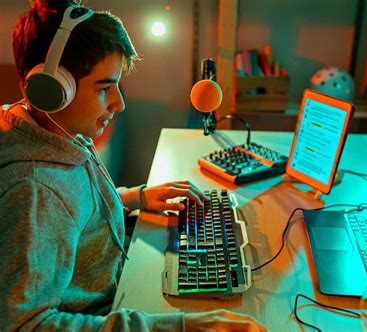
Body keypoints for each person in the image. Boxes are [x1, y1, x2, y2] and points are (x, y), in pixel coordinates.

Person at [0, 0, 265, 330]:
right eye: (104, 87)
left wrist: (133, 198)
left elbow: (77, 210)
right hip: (109, 314)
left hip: (122, 280)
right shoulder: (35, 192)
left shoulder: (59, 131)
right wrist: (179, 327)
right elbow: (27, 325)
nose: (119, 103)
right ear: (53, 90)